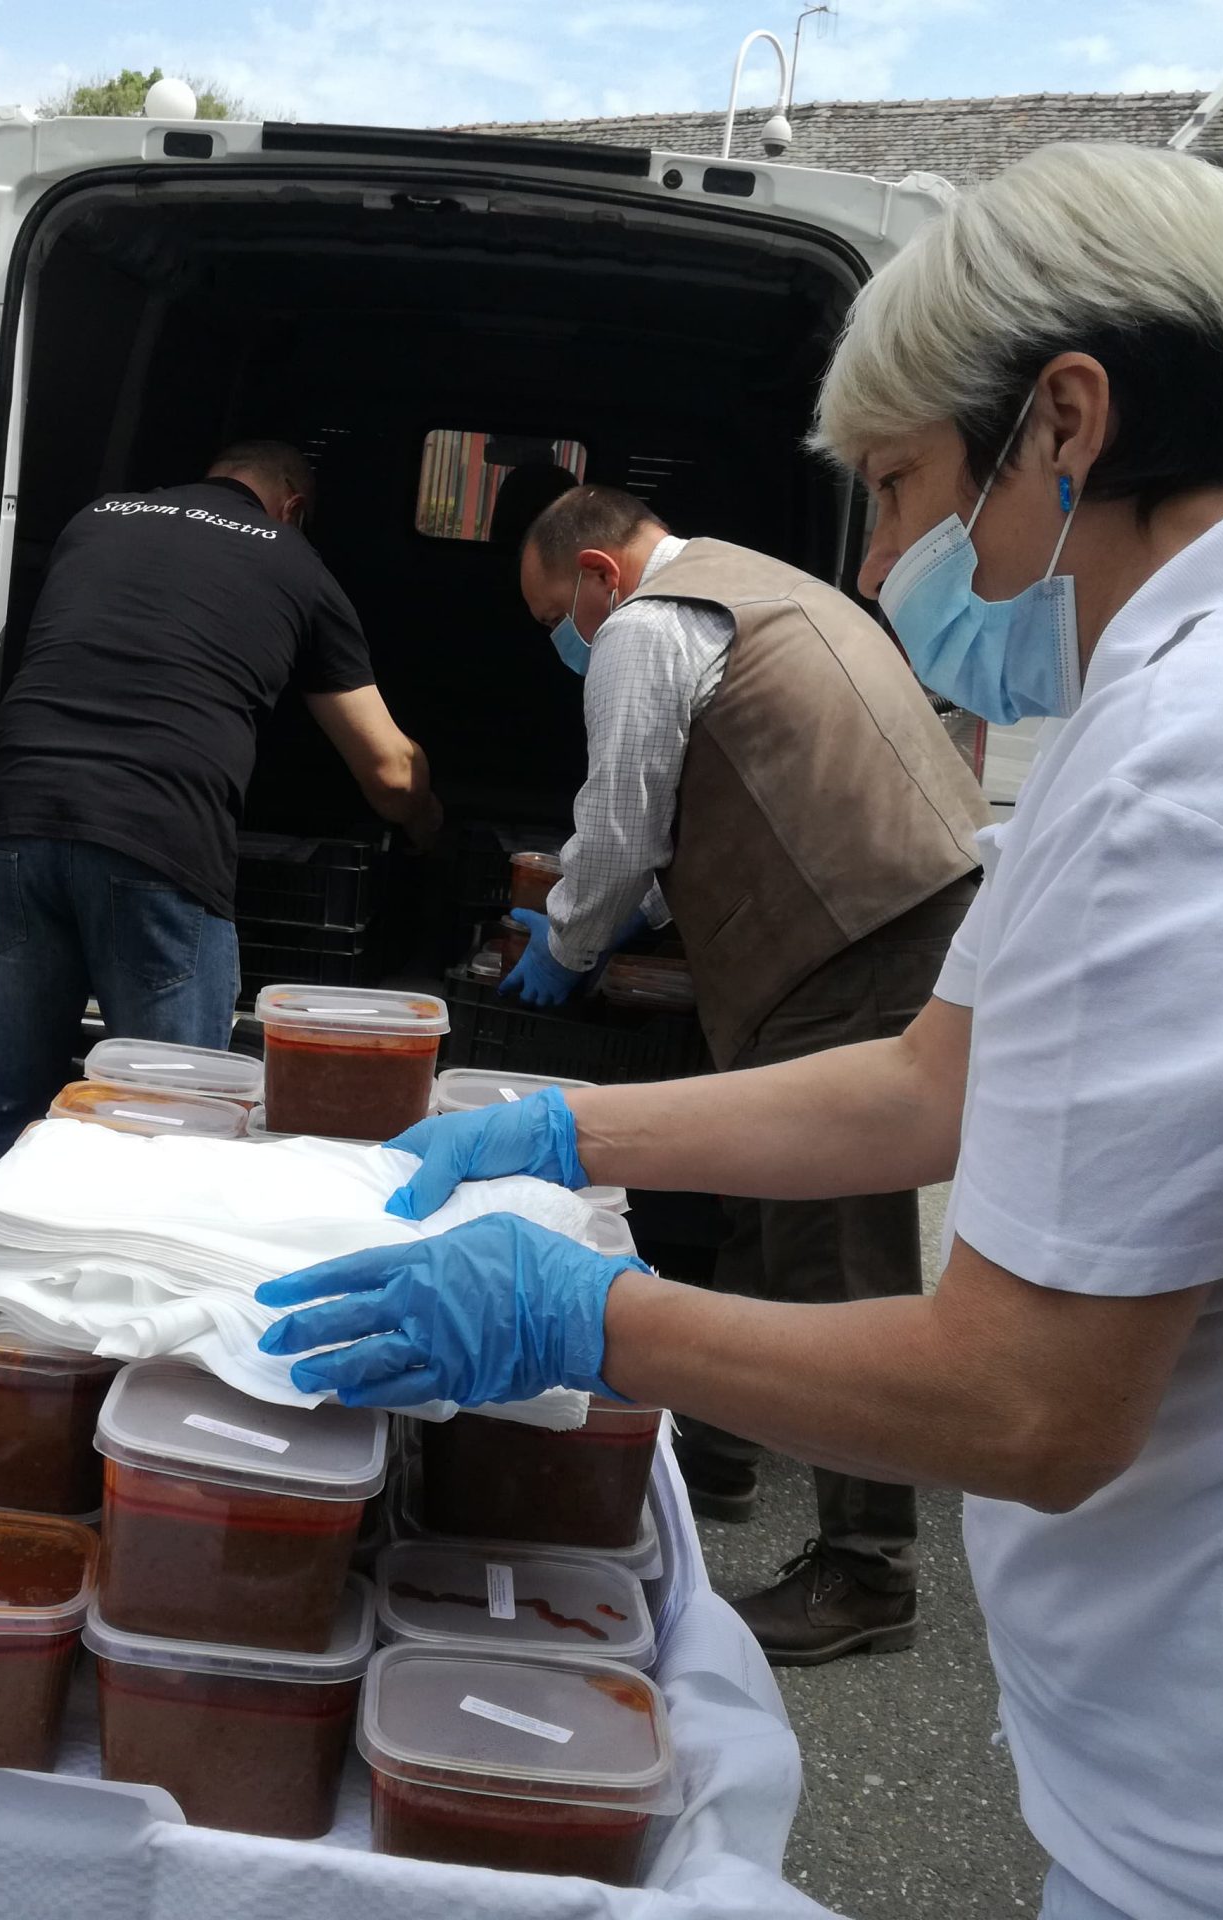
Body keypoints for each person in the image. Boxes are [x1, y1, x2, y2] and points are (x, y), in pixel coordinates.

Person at [254, 143, 1223, 1918]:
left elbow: (1030, 1401)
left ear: (1067, 421)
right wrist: (567, 1133)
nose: (879, 566)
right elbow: (927, 1082)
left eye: (897, 489)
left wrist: (591, 1317)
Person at [504, 481, 989, 1658]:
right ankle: (719, 1449)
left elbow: (619, 830)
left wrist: (567, 941)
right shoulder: (762, 584)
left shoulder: (645, 625)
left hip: (858, 927)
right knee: (762, 1198)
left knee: (833, 1239)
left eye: (553, 619)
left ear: (597, 576)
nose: (563, 644)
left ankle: (868, 1570)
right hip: (895, 907)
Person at [0, 439, 443, 1186]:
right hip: (160, 840)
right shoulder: (292, 561)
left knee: (4, 1101)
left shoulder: (98, 518)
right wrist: (425, 825)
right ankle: (137, 1289)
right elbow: (388, 770)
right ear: (294, 507)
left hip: (20, 819)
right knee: (170, 1121)